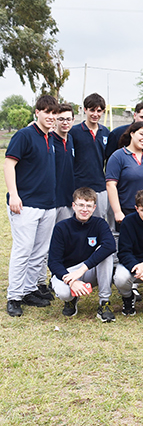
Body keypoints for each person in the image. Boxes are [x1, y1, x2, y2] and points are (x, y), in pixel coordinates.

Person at [5, 94, 59, 317]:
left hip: (48, 204)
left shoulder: (51, 138)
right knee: (23, 250)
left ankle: (28, 290)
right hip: (25, 204)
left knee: (39, 252)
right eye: (46, 112)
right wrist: (14, 195)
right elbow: (9, 165)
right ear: (37, 112)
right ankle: (14, 296)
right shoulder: (24, 135)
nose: (51, 116)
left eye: (54, 113)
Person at [48, 187, 117, 322]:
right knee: (64, 293)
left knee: (106, 254)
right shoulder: (61, 227)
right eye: (81, 205)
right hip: (68, 272)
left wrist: (82, 270)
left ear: (94, 208)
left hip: (88, 270)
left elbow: (110, 246)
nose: (84, 209)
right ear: (73, 206)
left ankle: (104, 303)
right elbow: (53, 262)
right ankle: (71, 300)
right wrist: (72, 280)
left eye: (88, 206)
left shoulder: (100, 223)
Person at [105, 122, 143, 227]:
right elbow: (110, 185)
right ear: (132, 133)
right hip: (127, 210)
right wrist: (117, 212)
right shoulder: (118, 156)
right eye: (142, 134)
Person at [70, 93, 110, 219]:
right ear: (85, 110)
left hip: (99, 185)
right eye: (92, 110)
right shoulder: (74, 132)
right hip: (79, 185)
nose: (95, 114)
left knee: (99, 221)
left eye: (99, 111)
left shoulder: (106, 132)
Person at [51, 103, 76, 223]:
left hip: (67, 199)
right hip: (51, 200)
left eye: (68, 119)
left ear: (73, 120)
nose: (65, 122)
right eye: (61, 119)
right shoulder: (49, 139)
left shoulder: (71, 139)